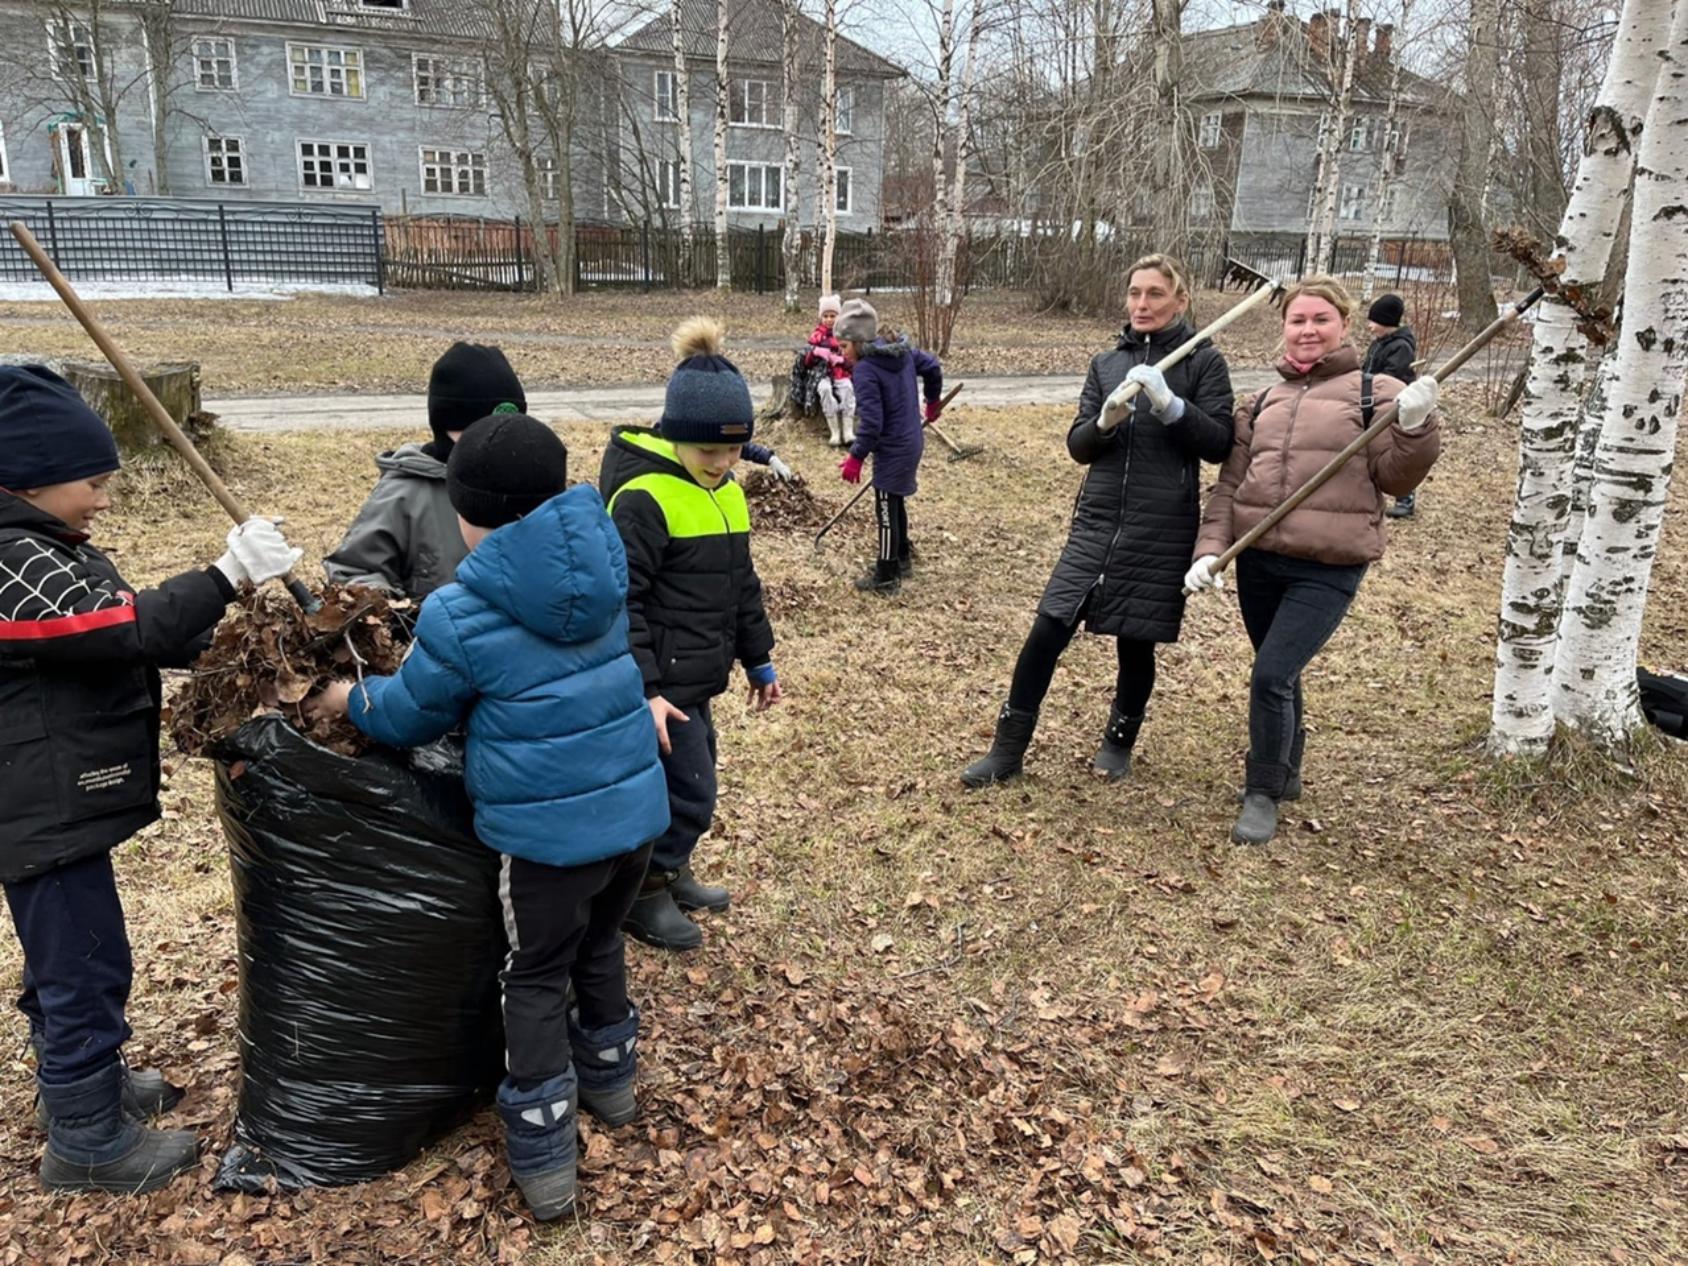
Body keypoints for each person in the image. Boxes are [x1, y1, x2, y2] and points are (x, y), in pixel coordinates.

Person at [310, 413, 669, 1221]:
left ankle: (545, 1163)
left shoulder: (461, 613)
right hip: (637, 818)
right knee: (602, 943)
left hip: (549, 845)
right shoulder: (606, 564)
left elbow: (408, 714)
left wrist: (347, 698)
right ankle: (613, 1089)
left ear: (466, 512)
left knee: (536, 975)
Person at [0, 365, 300, 1194]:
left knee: (70, 958)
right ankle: (86, 1136)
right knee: (84, 964)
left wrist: (242, 634)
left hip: (47, 799)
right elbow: (118, 628)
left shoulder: (42, 545)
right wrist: (224, 574)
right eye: (92, 482)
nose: (102, 498)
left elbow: (138, 634)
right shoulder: (10, 563)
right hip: (37, 808)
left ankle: (80, 1084)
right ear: (28, 475)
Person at [961, 254, 1235, 787]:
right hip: (1097, 521)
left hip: (1161, 524)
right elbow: (1078, 447)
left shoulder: (1203, 363)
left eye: (1155, 293)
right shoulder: (1106, 364)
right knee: (1047, 629)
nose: (1141, 304)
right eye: (1135, 292)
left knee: (1136, 640)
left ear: (1180, 301)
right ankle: (1008, 748)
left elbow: (1220, 441)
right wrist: (1105, 422)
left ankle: (1119, 740)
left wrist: (1171, 405)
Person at [1185, 276, 1440, 845]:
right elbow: (1230, 485)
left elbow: (1397, 479)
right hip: (1259, 562)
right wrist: (1209, 553)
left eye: (1320, 320)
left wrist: (1417, 426)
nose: (1307, 330)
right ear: (1284, 328)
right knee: (1283, 673)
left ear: (1342, 325)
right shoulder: (1264, 401)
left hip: (1327, 566)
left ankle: (1262, 791)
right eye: (1297, 321)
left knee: (1270, 674)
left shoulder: (1376, 393)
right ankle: (1289, 772)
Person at [598, 317, 781, 951]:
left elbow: (742, 584)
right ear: (676, 436)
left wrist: (759, 659)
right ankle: (642, 892)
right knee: (688, 792)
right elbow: (622, 603)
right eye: (711, 452)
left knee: (690, 786)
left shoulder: (727, 491)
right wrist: (643, 688)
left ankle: (672, 873)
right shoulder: (643, 498)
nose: (726, 462)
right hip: (656, 689)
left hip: (695, 679)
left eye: (735, 450)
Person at [324, 341, 527, 599]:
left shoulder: (527, 481)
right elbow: (353, 571)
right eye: (480, 431)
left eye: (509, 432)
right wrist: (404, 616)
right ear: (447, 426)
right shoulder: (404, 495)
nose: (495, 443)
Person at [835, 298, 944, 594]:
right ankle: (902, 558)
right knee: (895, 501)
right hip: (911, 442)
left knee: (885, 508)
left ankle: (885, 575)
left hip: (894, 447)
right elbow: (932, 366)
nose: (841, 354)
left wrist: (855, 457)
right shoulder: (901, 352)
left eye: (844, 347)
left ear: (859, 342)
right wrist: (932, 400)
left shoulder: (866, 370)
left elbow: (871, 424)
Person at [1361, 293, 1421, 519]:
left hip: (1393, 405)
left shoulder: (1401, 347)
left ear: (1386, 322)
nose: (1369, 326)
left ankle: (1405, 500)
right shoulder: (1380, 343)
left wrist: (1369, 382)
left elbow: (1391, 378)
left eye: (1373, 321)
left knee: (1396, 452)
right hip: (1374, 402)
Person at [809, 294, 857, 447]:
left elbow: (853, 360)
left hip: (841, 373)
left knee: (848, 389)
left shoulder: (844, 335)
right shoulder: (816, 336)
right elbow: (806, 360)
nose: (829, 319)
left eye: (833, 316)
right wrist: (815, 352)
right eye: (826, 316)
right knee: (825, 390)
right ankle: (835, 431)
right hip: (822, 374)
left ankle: (848, 430)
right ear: (821, 317)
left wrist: (842, 360)